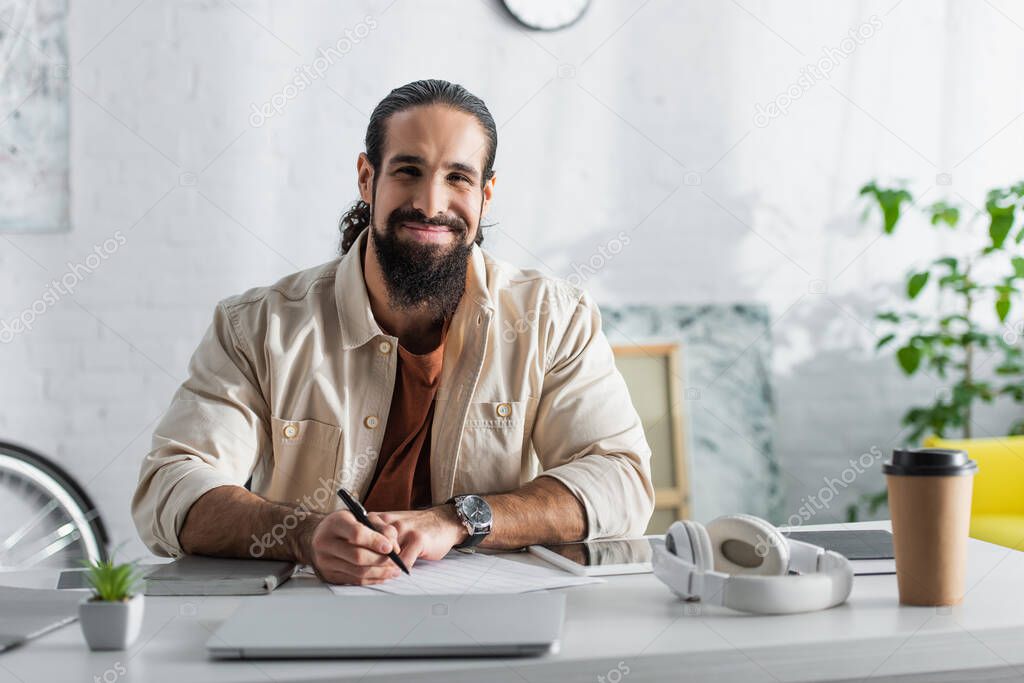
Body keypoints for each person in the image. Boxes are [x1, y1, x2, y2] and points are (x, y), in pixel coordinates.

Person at [131, 79, 653, 586]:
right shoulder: (256, 327)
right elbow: (169, 488)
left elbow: (621, 482)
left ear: (486, 194)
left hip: (493, 620)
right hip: (310, 617)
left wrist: (459, 519)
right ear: (367, 178)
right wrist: (302, 535)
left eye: (458, 178)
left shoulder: (553, 319)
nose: (430, 203)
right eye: (408, 170)